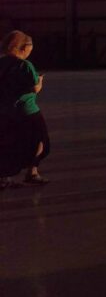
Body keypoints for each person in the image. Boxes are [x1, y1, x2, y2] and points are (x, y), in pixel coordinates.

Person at [0, 30, 50, 188]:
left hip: (6, 110)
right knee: (41, 141)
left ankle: (4, 177)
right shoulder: (24, 65)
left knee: (10, 143)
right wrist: (40, 81)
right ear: (22, 48)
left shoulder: (1, 63)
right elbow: (35, 88)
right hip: (28, 110)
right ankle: (32, 171)